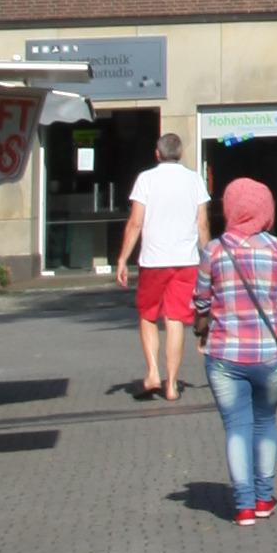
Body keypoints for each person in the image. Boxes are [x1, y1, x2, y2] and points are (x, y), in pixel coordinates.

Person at [193, 171, 277, 527]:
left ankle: (242, 506)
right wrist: (274, 306)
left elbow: (201, 299)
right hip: (269, 354)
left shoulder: (214, 250)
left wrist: (205, 320)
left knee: (236, 426)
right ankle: (264, 497)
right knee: (265, 422)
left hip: (223, 354)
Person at [115, 134, 205, 405]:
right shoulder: (195, 180)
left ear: (157, 153)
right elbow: (202, 224)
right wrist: (210, 258)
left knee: (147, 314)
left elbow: (135, 222)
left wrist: (122, 259)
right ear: (180, 153)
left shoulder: (146, 179)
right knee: (175, 318)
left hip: (153, 260)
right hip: (186, 260)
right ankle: (173, 384)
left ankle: (153, 372)